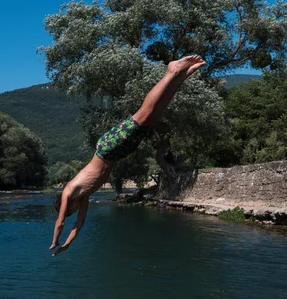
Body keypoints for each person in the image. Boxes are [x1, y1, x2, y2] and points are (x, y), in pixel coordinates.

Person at [50, 55, 207, 256]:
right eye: (72, 212)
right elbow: (78, 226)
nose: (72, 214)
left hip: (107, 147)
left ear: (65, 206)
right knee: (153, 117)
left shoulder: (69, 191)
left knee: (143, 113)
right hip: (117, 152)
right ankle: (180, 76)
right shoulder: (85, 197)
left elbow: (60, 222)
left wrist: (55, 241)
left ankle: (171, 71)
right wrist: (67, 244)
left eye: (69, 211)